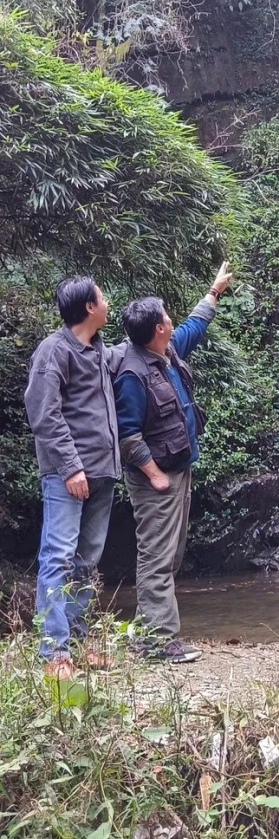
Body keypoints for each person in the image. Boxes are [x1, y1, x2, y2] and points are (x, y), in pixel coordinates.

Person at [113, 263, 233, 664]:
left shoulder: (164, 350)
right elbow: (127, 435)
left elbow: (194, 326)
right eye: (166, 316)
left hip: (177, 467)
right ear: (157, 329)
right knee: (156, 556)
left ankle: (153, 633)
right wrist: (155, 475)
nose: (171, 319)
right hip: (156, 477)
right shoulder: (132, 373)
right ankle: (158, 641)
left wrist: (213, 292)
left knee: (172, 554)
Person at [24, 276, 121, 678]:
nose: (107, 300)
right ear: (88, 307)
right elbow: (43, 414)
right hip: (69, 475)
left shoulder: (98, 350)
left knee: (86, 561)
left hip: (101, 472)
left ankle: (77, 644)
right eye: (102, 296)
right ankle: (54, 653)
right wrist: (71, 467)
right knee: (58, 557)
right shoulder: (54, 350)